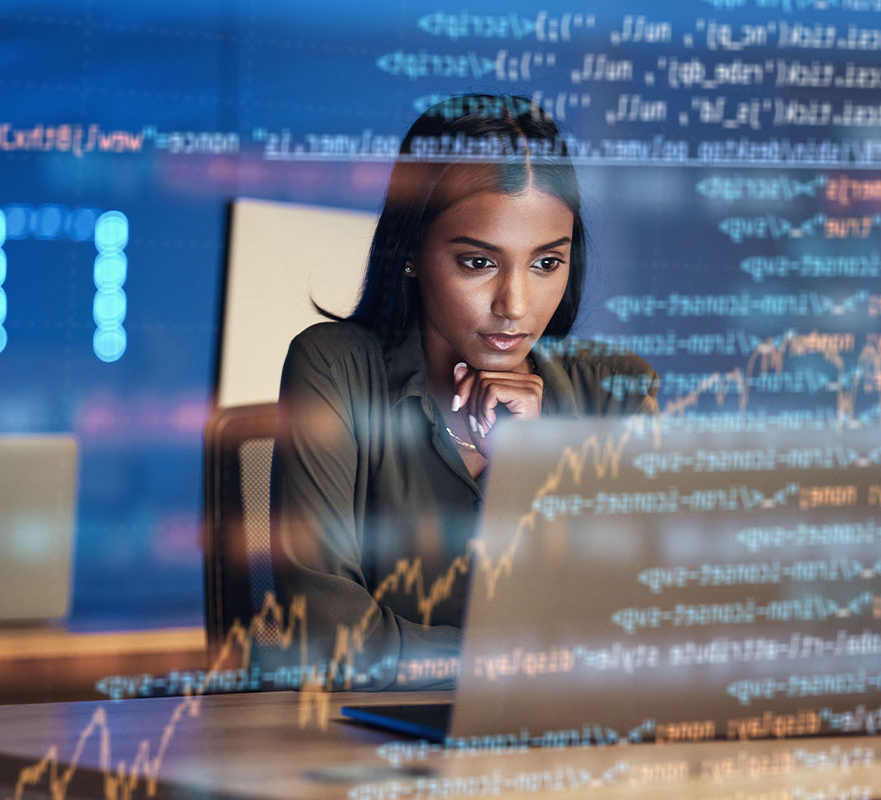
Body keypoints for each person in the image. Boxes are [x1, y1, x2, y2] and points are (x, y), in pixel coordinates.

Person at [268, 94, 658, 691]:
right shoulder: (335, 368)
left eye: (546, 264)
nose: (516, 306)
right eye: (478, 262)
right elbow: (331, 639)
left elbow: (635, 637)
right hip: (369, 755)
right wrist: (522, 660)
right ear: (411, 254)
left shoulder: (617, 392)